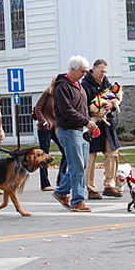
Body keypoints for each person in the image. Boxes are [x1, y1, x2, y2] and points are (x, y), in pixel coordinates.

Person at [52, 55, 99, 212]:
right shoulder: (61, 87)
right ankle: (77, 200)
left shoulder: (78, 85)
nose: (84, 75)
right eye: (82, 71)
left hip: (81, 130)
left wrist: (90, 120)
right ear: (72, 69)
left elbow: (82, 108)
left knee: (80, 165)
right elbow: (67, 111)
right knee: (77, 166)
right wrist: (86, 121)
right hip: (69, 130)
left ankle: (61, 192)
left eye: (86, 72)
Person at [82, 59, 122, 199]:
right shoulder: (85, 85)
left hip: (107, 124)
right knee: (91, 157)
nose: (103, 74)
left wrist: (111, 104)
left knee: (112, 153)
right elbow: (82, 106)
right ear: (93, 69)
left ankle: (109, 185)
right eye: (101, 71)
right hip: (92, 123)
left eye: (105, 71)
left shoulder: (107, 83)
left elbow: (114, 96)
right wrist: (94, 111)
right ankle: (91, 188)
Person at [35, 77, 67, 191]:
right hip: (45, 128)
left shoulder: (62, 96)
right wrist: (43, 121)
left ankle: (61, 179)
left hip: (57, 127)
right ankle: (45, 183)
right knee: (44, 155)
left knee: (66, 152)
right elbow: (37, 109)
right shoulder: (47, 94)